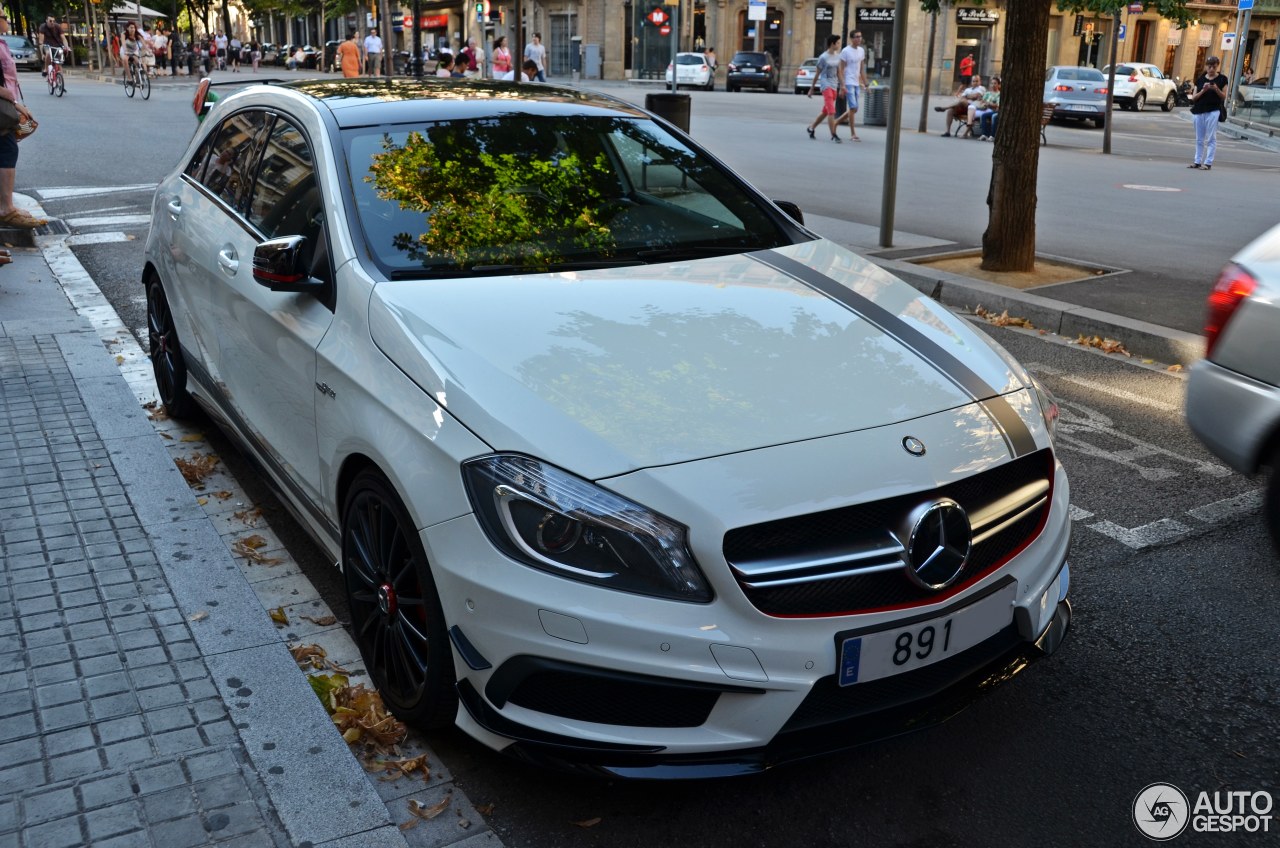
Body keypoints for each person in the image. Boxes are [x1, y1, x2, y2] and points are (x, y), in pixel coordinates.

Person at [0, 15, 45, 229]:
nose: (6, 19)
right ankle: (6, 208)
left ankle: (6, 206)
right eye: (3, 16)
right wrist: (13, 101)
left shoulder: (1, 42)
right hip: (3, 104)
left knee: (7, 147)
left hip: (7, 103)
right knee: (7, 149)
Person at [1188, 55, 1227, 170]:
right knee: (1199, 138)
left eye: (1214, 67)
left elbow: (1224, 96)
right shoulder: (1200, 79)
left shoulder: (1222, 79)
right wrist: (1203, 90)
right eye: (1209, 67)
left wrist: (1215, 88)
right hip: (1199, 110)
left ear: (1217, 67)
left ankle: (1208, 162)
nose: (1211, 70)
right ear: (1206, 66)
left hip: (1213, 110)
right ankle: (1197, 161)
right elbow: (1194, 98)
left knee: (1211, 138)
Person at [806, 35, 844, 143]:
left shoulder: (838, 56)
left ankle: (811, 127)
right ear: (832, 44)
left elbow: (839, 72)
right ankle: (834, 134)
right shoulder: (823, 57)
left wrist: (842, 86)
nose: (839, 45)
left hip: (834, 85)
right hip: (825, 85)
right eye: (837, 43)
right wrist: (811, 89)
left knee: (826, 111)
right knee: (831, 111)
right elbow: (817, 74)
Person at [834, 30, 867, 142]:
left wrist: (866, 83)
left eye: (860, 36)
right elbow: (841, 70)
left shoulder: (861, 51)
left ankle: (836, 122)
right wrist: (842, 86)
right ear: (851, 38)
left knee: (855, 109)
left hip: (856, 83)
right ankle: (853, 133)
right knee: (852, 108)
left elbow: (862, 69)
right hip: (848, 82)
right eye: (857, 37)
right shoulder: (845, 51)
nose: (859, 38)